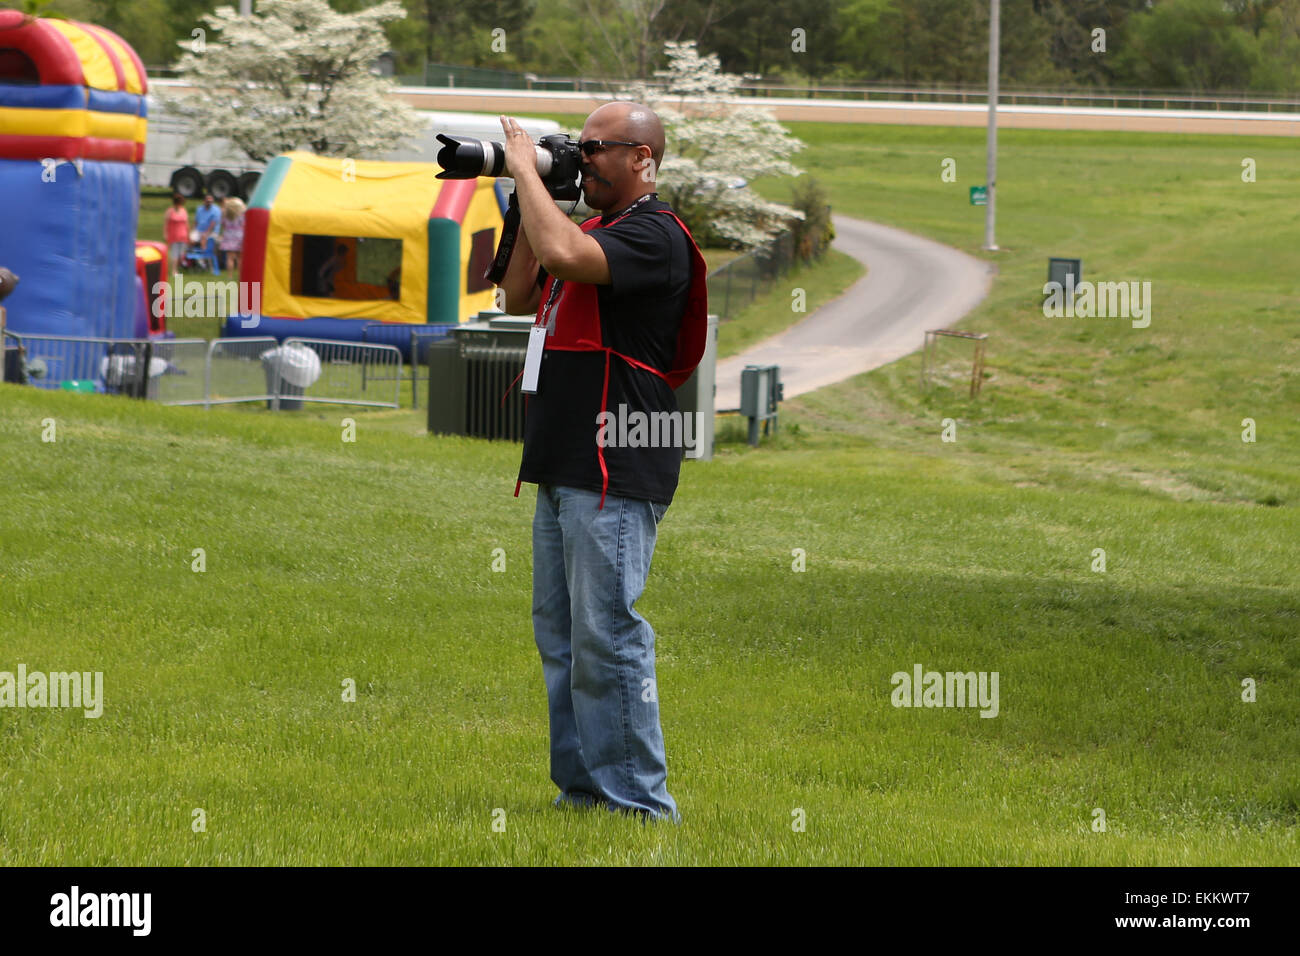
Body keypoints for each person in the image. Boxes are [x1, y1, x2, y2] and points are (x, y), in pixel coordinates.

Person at [496, 103, 707, 822]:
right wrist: (534, 195)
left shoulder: (657, 233)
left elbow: (561, 260)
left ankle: (640, 808)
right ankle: (583, 792)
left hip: (617, 457)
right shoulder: (584, 228)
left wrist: (527, 166)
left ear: (643, 159)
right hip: (563, 457)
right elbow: (521, 291)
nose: (580, 159)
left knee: (607, 635)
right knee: (562, 639)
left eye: (595, 148)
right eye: (576, 148)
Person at [219, 197, 246, 274]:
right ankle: (240, 275)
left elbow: (223, 225)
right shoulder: (241, 214)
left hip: (228, 236)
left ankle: (229, 275)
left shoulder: (225, 214)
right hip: (239, 236)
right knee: (239, 258)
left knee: (230, 258)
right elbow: (244, 224)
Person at [164, 194, 188, 274]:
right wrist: (165, 233)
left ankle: (177, 269)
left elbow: (186, 223)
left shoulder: (183, 211)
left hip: (183, 235)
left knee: (181, 254)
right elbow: (166, 223)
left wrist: (188, 234)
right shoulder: (170, 211)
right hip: (174, 235)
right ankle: (174, 270)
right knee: (174, 253)